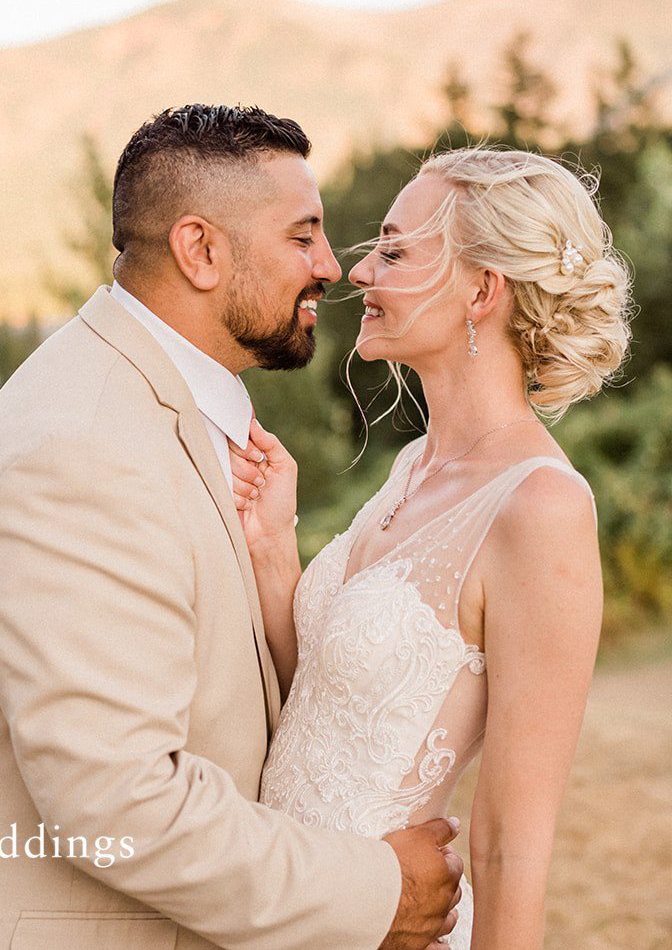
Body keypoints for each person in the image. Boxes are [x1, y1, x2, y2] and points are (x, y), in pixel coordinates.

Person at [0, 105, 461, 949]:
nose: (331, 267)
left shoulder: (146, 407)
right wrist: (373, 893)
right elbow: (116, 800)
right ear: (200, 250)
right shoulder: (87, 450)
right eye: (303, 235)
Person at [229, 146, 632, 950]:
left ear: (483, 289)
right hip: (289, 909)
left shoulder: (541, 506)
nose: (360, 274)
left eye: (394, 250)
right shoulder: (414, 466)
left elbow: (512, 843)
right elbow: (316, 703)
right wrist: (275, 546)